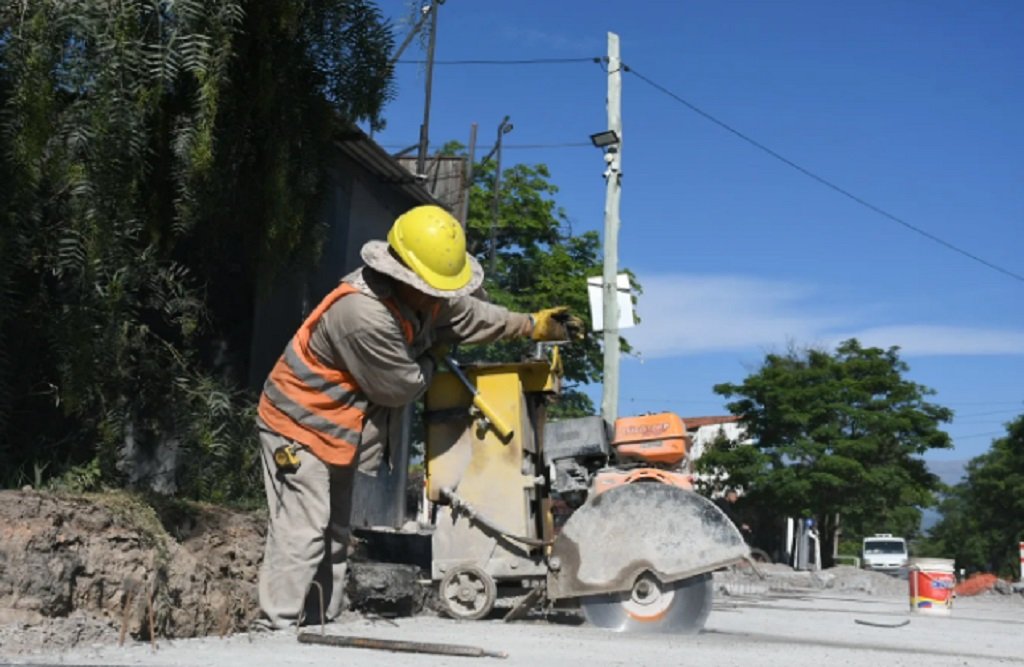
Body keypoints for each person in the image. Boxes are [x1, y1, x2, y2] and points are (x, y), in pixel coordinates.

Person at [255, 204, 582, 629]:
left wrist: (531, 324)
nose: (442, 298)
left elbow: (472, 315)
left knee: (335, 532)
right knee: (303, 529)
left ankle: (319, 624)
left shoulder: (426, 300)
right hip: (297, 425)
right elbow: (400, 386)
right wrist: (431, 355)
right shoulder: (361, 314)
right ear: (401, 273)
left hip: (338, 427)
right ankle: (275, 629)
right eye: (434, 288)